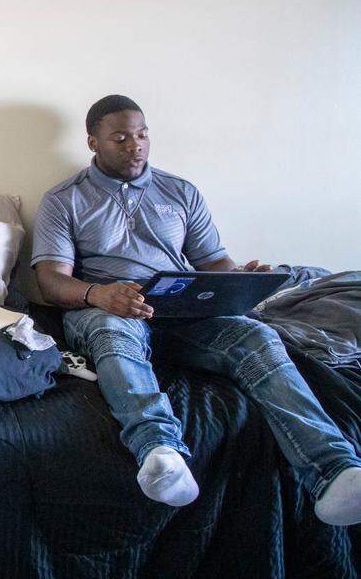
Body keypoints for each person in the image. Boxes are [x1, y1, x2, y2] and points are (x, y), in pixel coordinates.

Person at [31, 94, 361, 524]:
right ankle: (159, 452)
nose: (136, 146)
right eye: (121, 138)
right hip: (111, 307)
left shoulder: (180, 191)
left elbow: (213, 264)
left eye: (143, 135)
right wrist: (99, 294)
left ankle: (334, 469)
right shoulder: (64, 199)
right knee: (113, 334)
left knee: (256, 335)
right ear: (93, 142)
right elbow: (51, 280)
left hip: (185, 311)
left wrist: (240, 276)